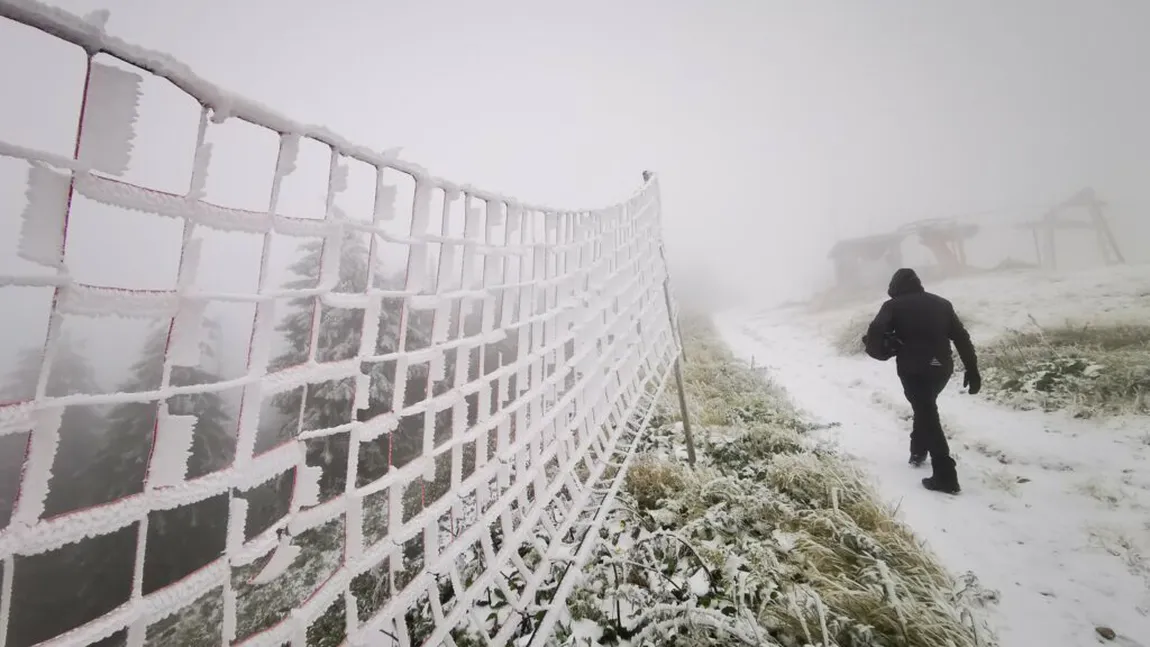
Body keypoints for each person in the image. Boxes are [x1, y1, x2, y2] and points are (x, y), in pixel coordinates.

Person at [862, 268, 980, 494]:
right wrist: (972, 370)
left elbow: (876, 331)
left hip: (913, 369)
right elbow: (961, 338)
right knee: (925, 406)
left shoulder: (893, 306)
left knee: (926, 409)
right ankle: (918, 450)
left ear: (895, 286)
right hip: (941, 368)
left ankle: (945, 474)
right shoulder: (942, 304)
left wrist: (877, 351)